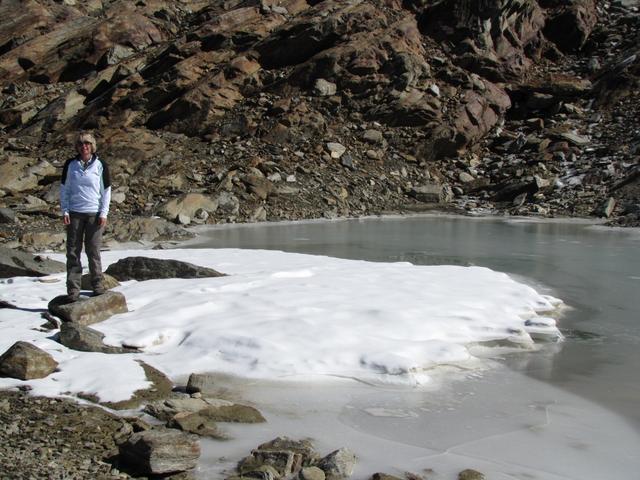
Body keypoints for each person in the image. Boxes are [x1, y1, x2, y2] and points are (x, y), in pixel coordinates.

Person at [60, 132, 111, 301]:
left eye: (87, 143)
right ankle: (73, 290)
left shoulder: (100, 165)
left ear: (92, 146)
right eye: (81, 144)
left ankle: (97, 285)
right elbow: (64, 189)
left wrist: (103, 213)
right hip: (74, 213)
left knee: (93, 250)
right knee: (73, 252)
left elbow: (106, 191)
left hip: (94, 214)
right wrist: (65, 210)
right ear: (77, 147)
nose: (84, 146)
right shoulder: (70, 165)